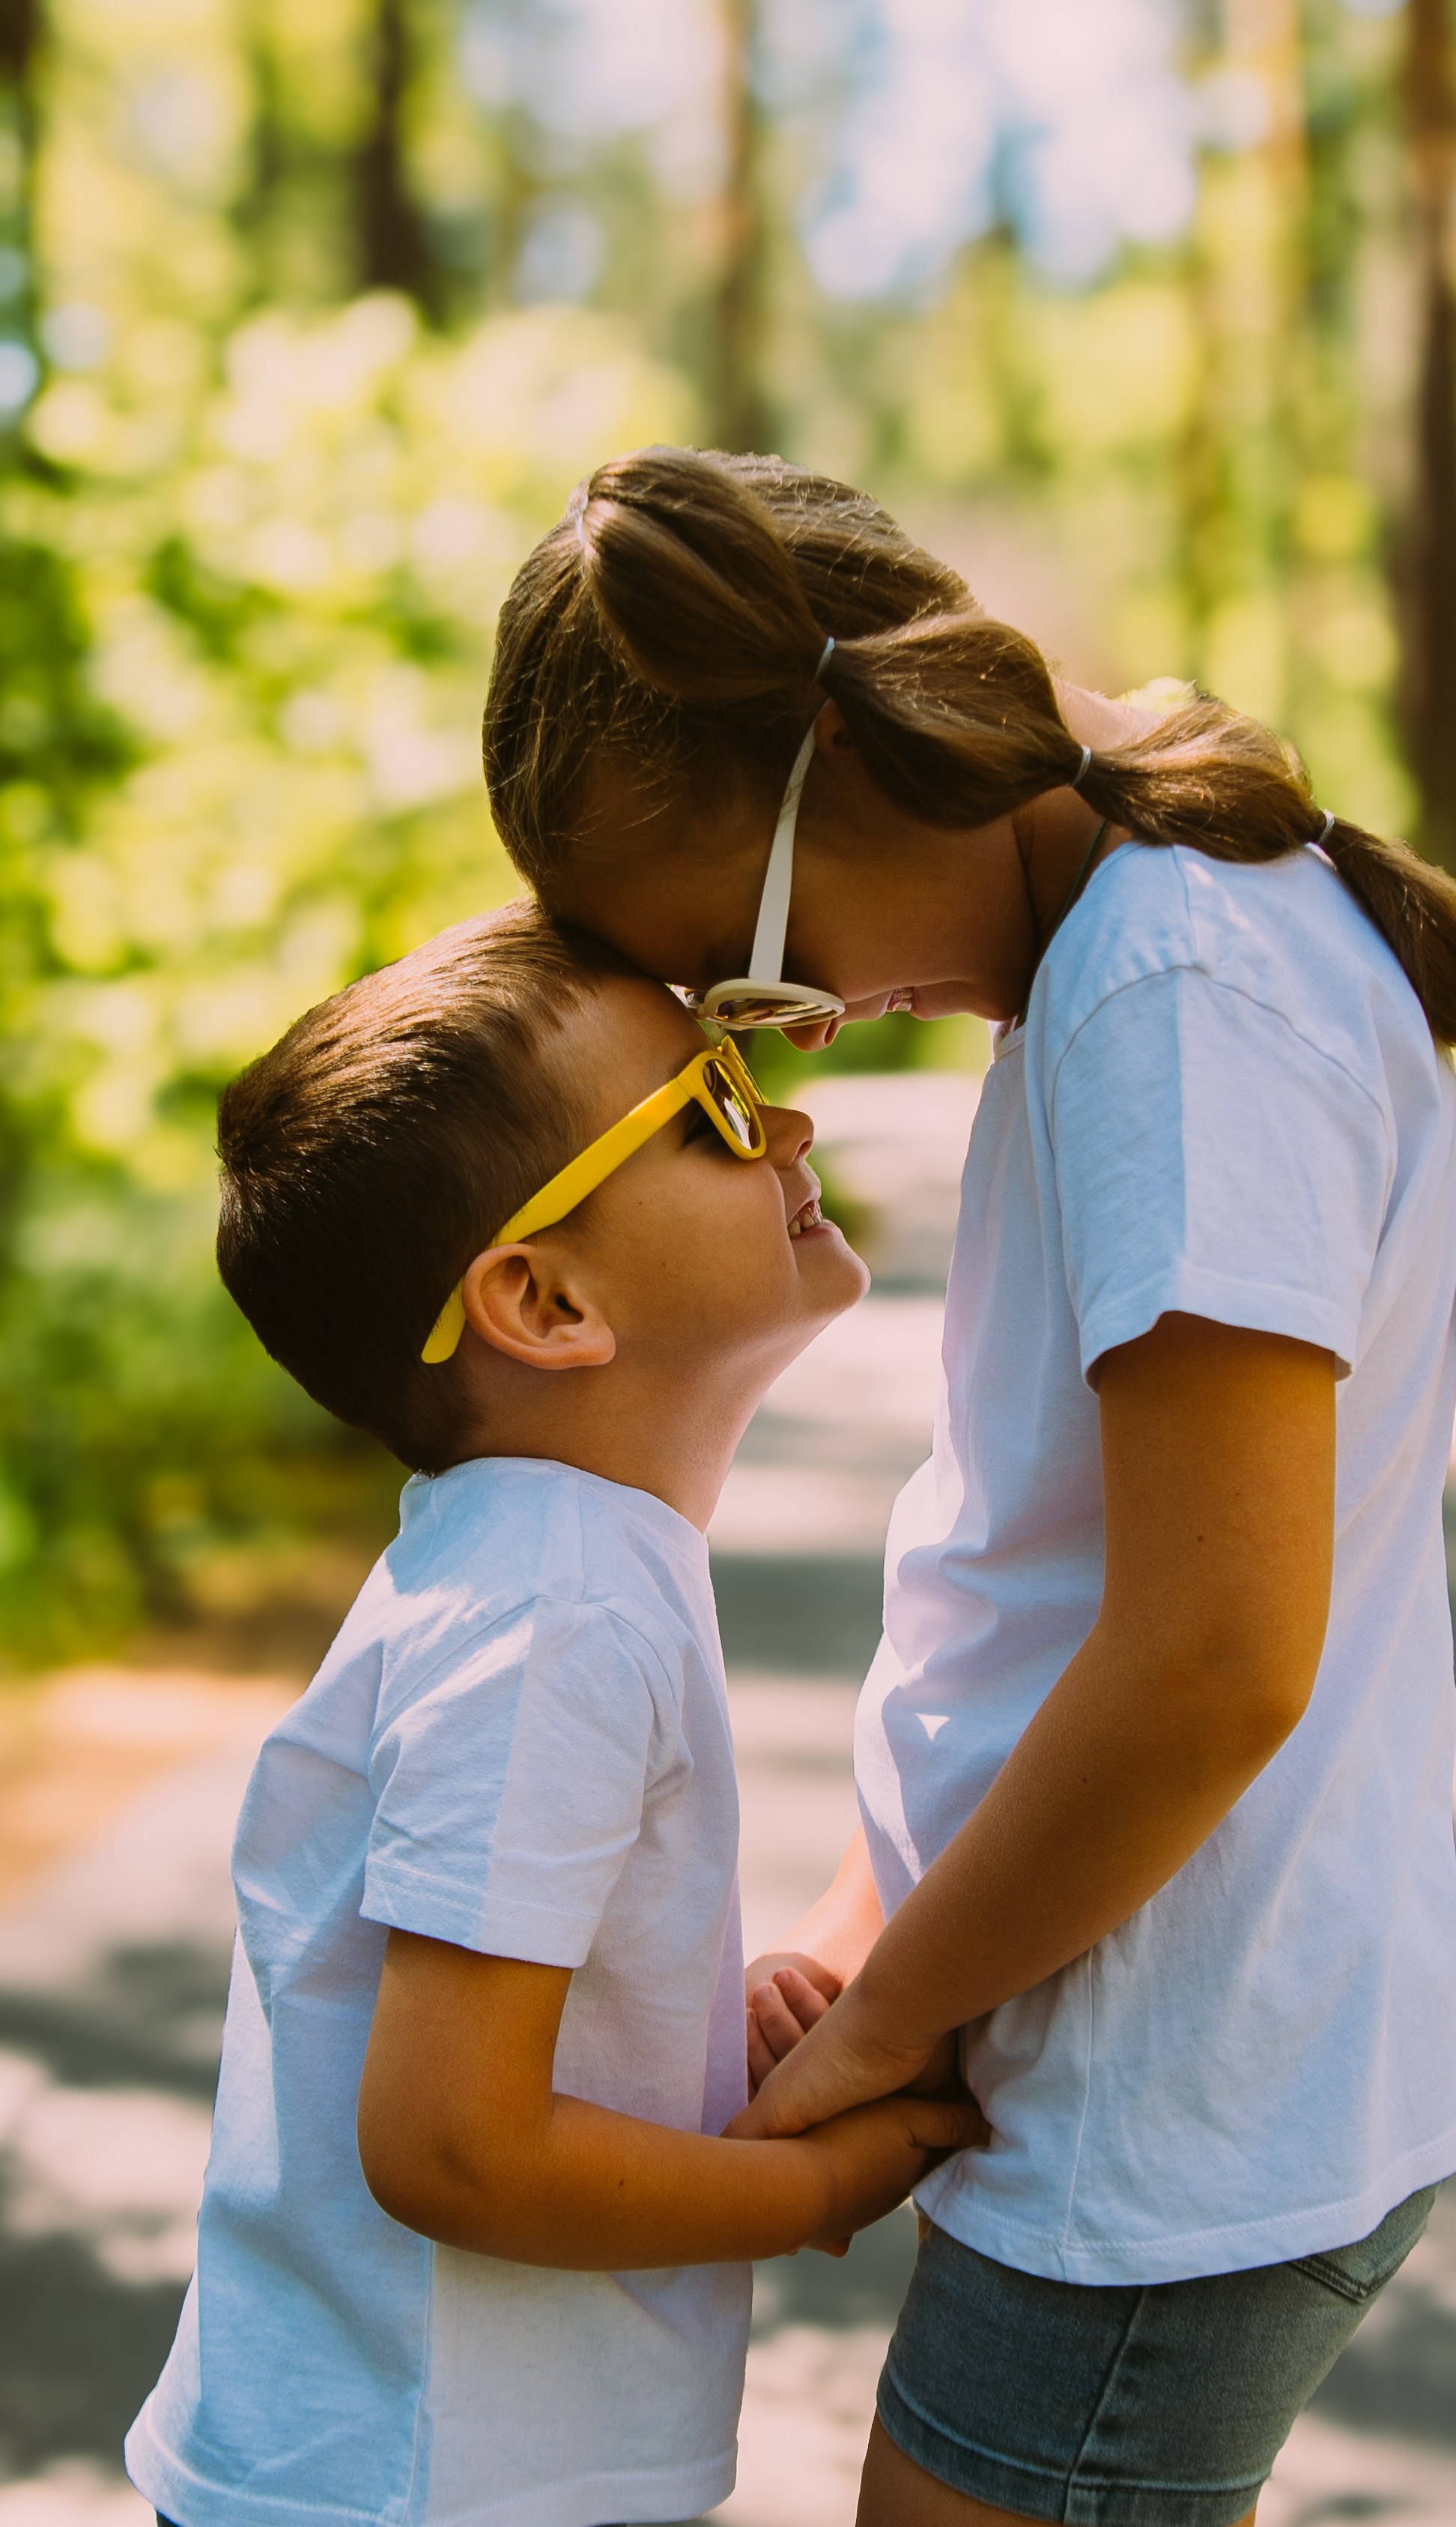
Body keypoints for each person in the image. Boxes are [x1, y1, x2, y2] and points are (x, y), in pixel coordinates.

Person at [474, 447, 1456, 2527]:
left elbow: (1210, 1658)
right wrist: (862, 1925)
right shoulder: (1120, 964)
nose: (807, 1030)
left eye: (757, 965)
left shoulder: (1171, 986)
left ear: (844, 745)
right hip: (1127, 2061)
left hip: (1159, 2118)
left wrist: (884, 2025)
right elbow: (1037, 1576)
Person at [124, 901, 983, 2527]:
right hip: (421, 2489)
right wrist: (804, 2186)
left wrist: (686, 2032)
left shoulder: (544, 1565)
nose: (788, 1116)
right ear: (547, 1302)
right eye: (716, 1104)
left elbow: (477, 2020)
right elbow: (451, 2144)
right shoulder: (556, 1606)